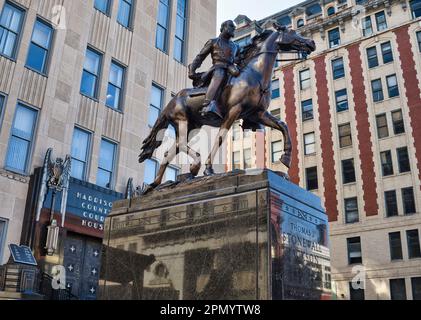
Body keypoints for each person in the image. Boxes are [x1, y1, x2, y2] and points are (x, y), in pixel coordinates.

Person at [188, 20, 241, 119]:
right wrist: (192, 69)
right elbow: (200, 57)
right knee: (219, 74)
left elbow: (239, 59)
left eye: (234, 27)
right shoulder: (213, 42)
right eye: (230, 26)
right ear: (223, 28)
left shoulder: (236, 46)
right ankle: (207, 105)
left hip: (231, 69)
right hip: (218, 67)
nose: (233, 28)